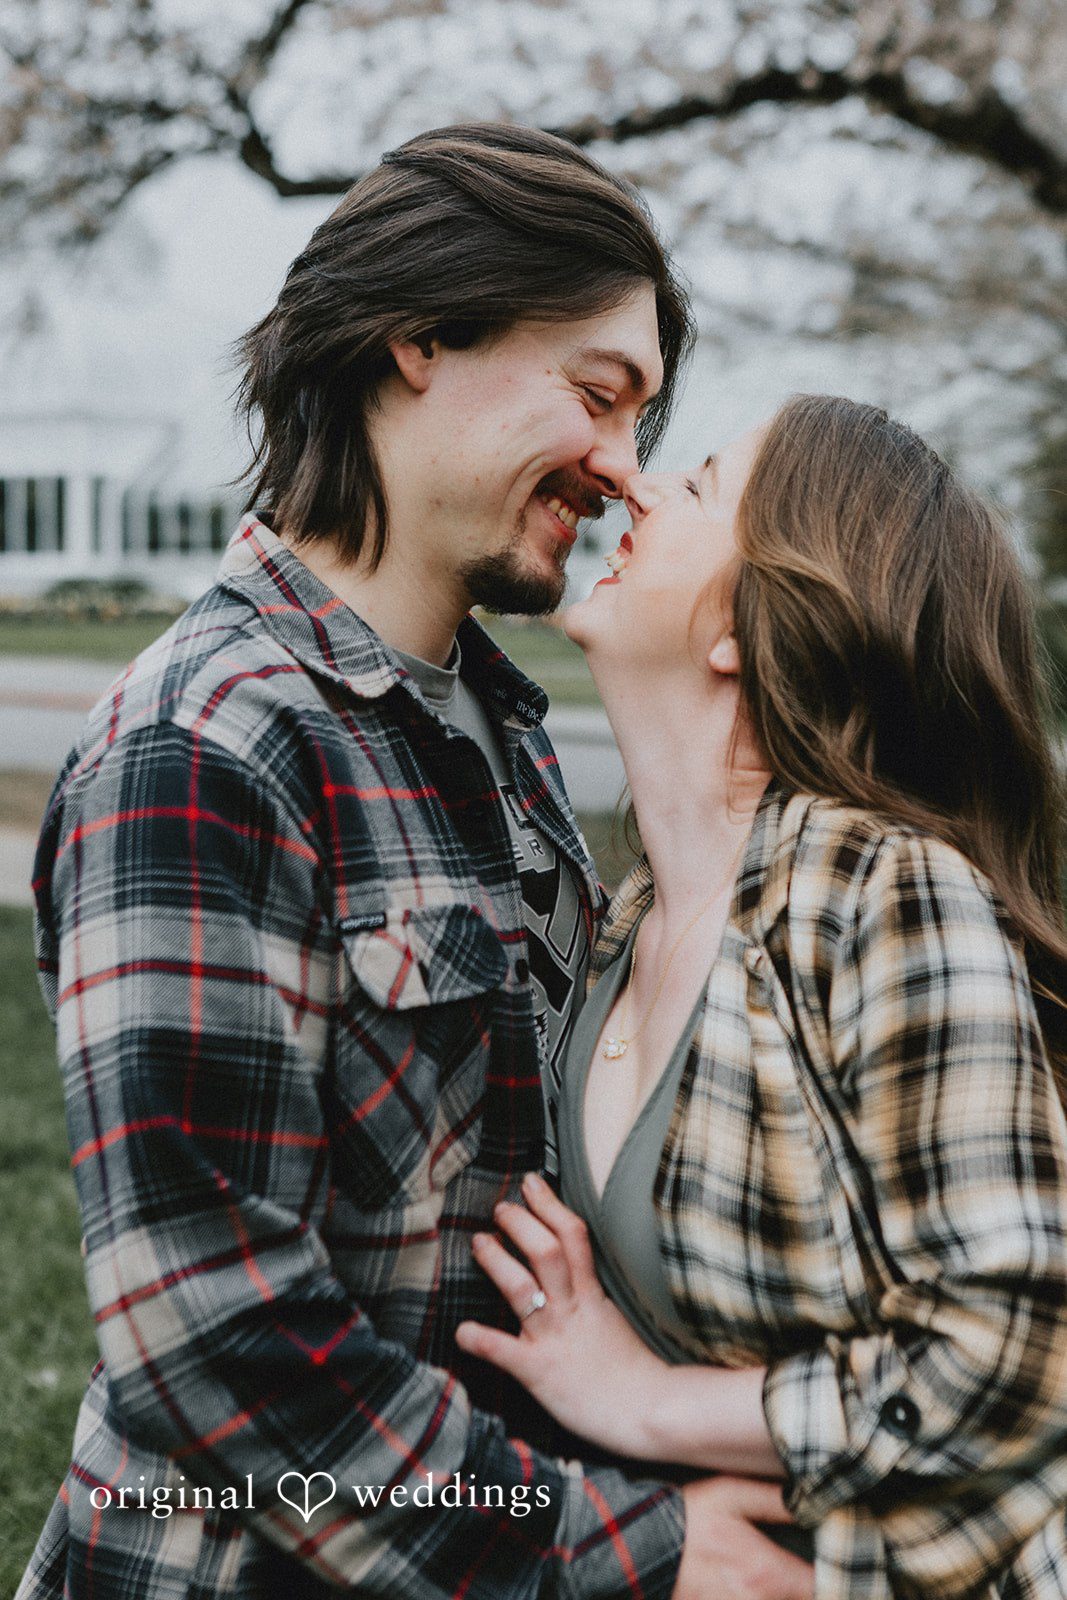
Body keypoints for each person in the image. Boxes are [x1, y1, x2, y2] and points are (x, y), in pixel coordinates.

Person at [16, 125, 817, 1600]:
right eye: (597, 394)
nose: (623, 469)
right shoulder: (204, 749)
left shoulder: (499, 733)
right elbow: (213, 1341)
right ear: (420, 336)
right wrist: (626, 1551)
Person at [456, 394, 1067, 1599]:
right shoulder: (621, 923)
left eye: (694, 486)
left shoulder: (874, 891)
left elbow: (1023, 1348)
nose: (634, 486)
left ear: (745, 619)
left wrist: (644, 1401)